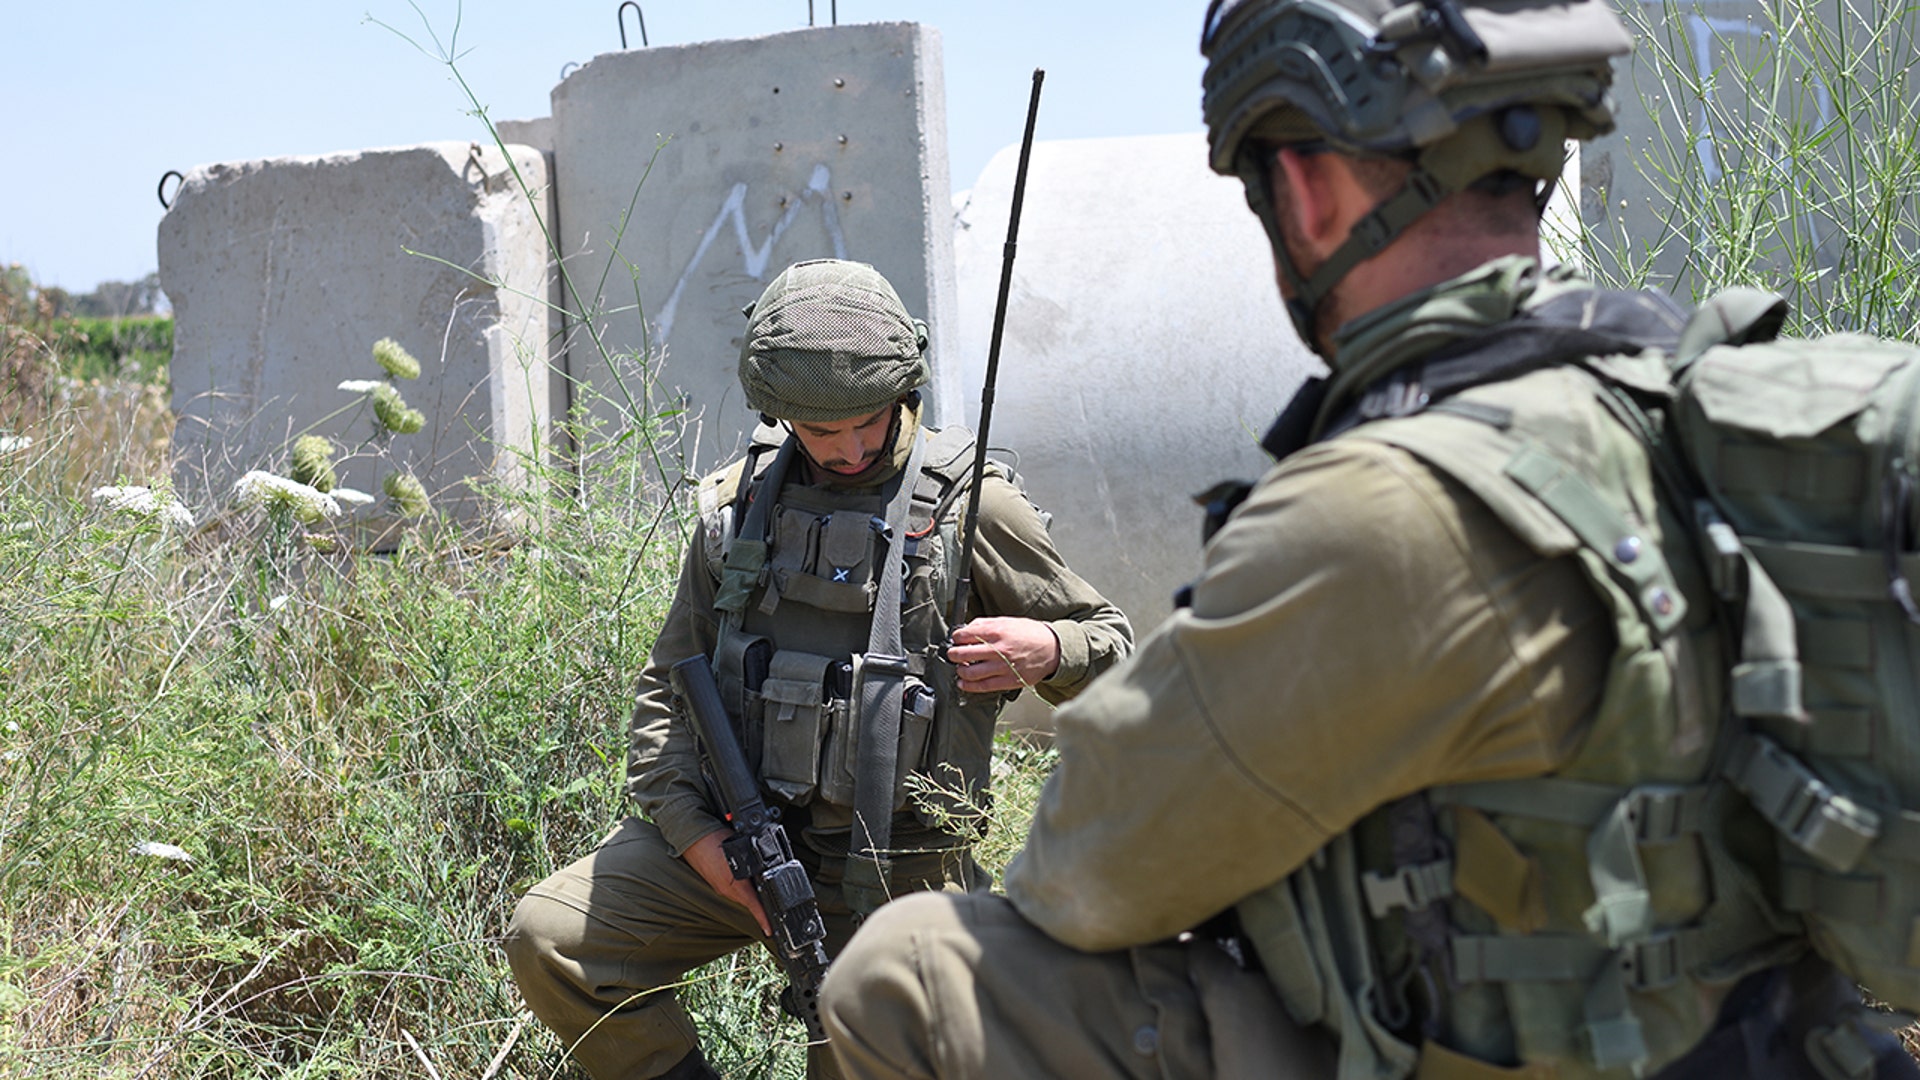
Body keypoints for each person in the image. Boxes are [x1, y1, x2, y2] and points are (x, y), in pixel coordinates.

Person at [817, 2, 1920, 1078]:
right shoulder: (1696, 406)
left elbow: (1087, 876)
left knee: (912, 973)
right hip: (1796, 1038)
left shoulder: (1388, 503)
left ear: (1299, 184)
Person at [504, 258, 1134, 1080]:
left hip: (900, 870)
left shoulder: (971, 503)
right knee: (549, 937)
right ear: (780, 413)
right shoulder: (740, 507)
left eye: (867, 423)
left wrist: (1050, 650)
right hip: (739, 843)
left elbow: (1113, 642)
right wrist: (698, 842)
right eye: (818, 431)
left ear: (904, 391)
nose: (848, 449)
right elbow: (668, 685)